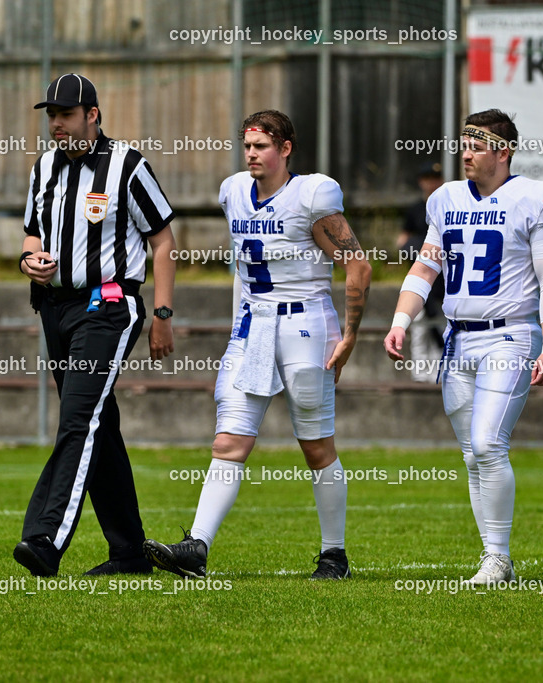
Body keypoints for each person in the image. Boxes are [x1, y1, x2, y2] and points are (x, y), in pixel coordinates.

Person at [143, 110, 372, 580]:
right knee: (228, 441)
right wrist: (236, 331)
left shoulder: (311, 194)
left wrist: (349, 336)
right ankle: (196, 548)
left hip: (305, 325)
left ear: (285, 149)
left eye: (261, 145)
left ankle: (335, 556)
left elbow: (358, 266)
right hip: (253, 329)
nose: (251, 153)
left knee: (316, 447)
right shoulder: (232, 192)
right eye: (247, 145)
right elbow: (241, 275)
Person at [384, 109, 543, 586]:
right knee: (472, 454)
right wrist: (401, 320)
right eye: (463, 144)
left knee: (488, 443)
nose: (465, 153)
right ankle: (495, 557)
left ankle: (499, 557)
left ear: (503, 152)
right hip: (458, 337)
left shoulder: (536, 199)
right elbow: (426, 268)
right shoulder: (445, 199)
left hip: (510, 333)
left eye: (477, 145)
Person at [15, 73, 176, 577]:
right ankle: (129, 552)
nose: (56, 125)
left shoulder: (128, 165)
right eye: (50, 116)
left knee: (78, 418)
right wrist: (30, 261)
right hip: (56, 308)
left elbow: (164, 241)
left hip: (108, 307)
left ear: (92, 115)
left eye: (64, 115)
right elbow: (30, 236)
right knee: (98, 425)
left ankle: (45, 538)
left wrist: (163, 315)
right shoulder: (43, 169)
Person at [398, 161, 446, 382]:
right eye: (428, 179)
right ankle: (419, 373)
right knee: (418, 326)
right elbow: (402, 242)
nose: (432, 183)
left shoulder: (447, 206)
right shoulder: (416, 209)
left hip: (442, 282)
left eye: (435, 179)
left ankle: (439, 371)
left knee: (440, 327)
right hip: (420, 279)